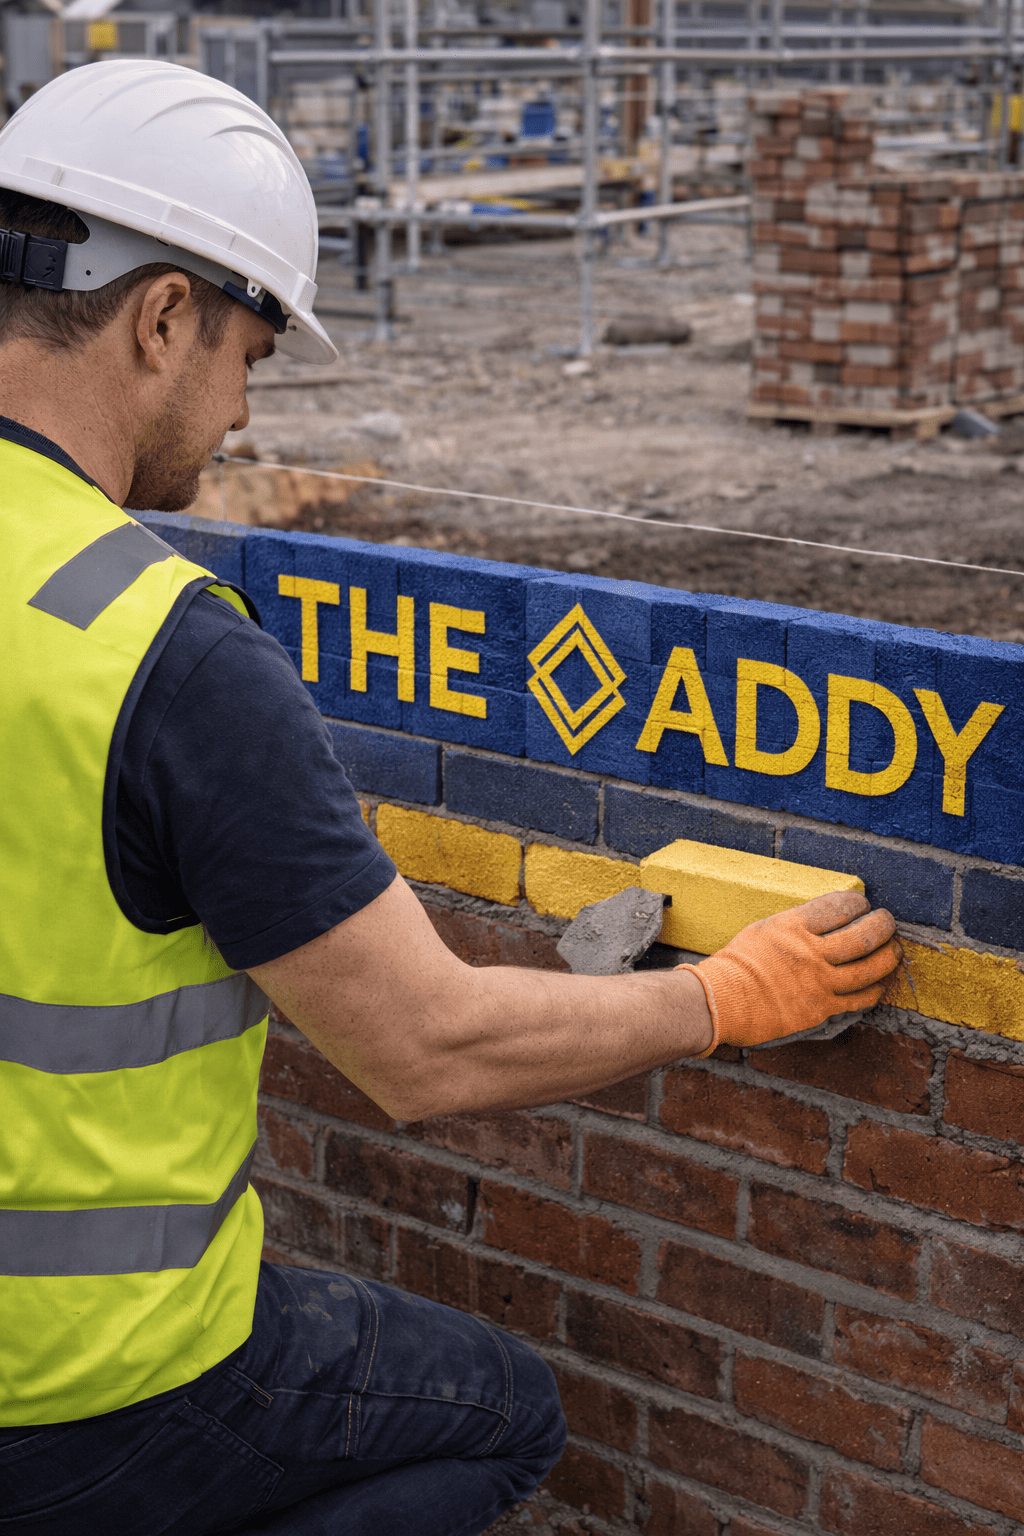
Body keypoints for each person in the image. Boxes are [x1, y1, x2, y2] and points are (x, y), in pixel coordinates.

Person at [0, 61, 902, 1536]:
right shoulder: (156, 652)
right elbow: (426, 1048)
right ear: (162, 317)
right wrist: (730, 998)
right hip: (87, 1389)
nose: (236, 412)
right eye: (251, 356)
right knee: (498, 1417)